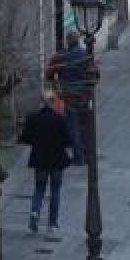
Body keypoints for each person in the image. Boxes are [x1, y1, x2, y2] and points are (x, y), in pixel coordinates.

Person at [19, 90, 72, 236]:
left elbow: (25, 138)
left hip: (40, 160)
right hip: (56, 161)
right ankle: (52, 223)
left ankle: (35, 214)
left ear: (42, 101)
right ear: (53, 101)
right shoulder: (60, 119)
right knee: (55, 191)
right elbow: (69, 140)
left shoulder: (33, 118)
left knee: (39, 189)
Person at [45, 31, 98, 166]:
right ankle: (87, 153)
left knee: (73, 126)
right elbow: (96, 74)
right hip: (84, 95)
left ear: (67, 41)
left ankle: (79, 156)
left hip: (68, 96)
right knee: (85, 125)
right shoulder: (86, 55)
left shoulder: (61, 56)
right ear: (78, 40)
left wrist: (55, 85)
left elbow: (49, 72)